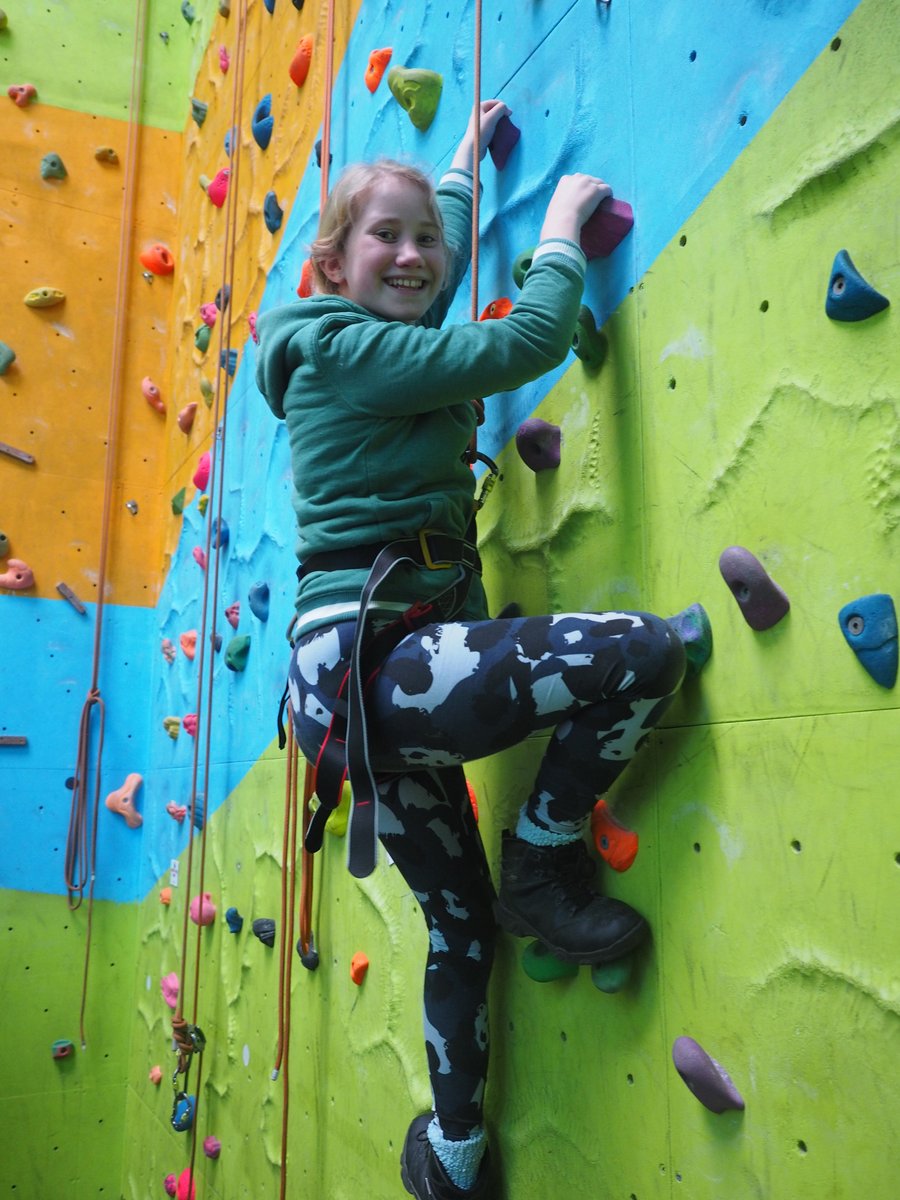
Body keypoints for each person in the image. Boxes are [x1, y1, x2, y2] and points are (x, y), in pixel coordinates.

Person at [255, 100, 686, 1200]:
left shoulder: (366, 326)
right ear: (329, 264)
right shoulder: (344, 348)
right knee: (637, 654)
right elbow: (522, 340)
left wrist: (459, 168)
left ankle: (450, 1160)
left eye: (421, 238)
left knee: (460, 926)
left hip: (362, 691)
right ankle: (541, 860)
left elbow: (431, 273)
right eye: (380, 239)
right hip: (376, 664)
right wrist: (559, 235)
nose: (410, 256)